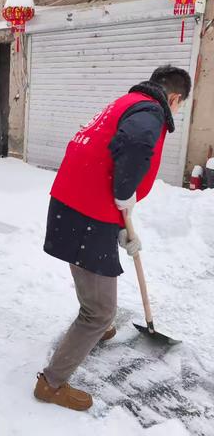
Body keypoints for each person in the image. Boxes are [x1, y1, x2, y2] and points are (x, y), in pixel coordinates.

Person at [34, 66, 191, 410]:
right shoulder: (150, 112)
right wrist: (124, 192)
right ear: (175, 98)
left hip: (74, 203)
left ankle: (94, 326)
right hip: (86, 211)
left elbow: (104, 154)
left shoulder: (127, 101)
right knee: (101, 311)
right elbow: (134, 146)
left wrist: (119, 226)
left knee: (89, 272)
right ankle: (52, 383)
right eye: (179, 106)